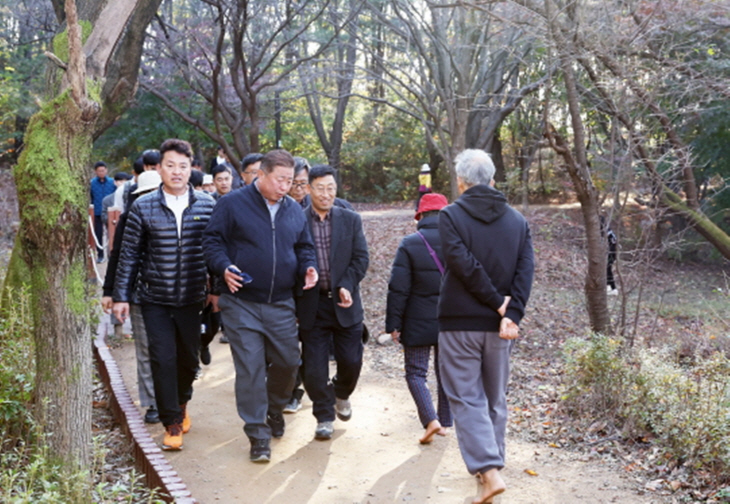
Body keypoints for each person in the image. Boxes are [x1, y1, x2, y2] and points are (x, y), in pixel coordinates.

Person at [202, 149, 318, 463]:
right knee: (250, 369)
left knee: (289, 362)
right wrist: (223, 267)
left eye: (291, 181)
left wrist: (309, 267)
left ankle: (274, 407)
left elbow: (304, 246)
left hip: (281, 303)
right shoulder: (232, 204)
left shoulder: (293, 210)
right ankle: (257, 433)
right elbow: (212, 242)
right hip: (241, 303)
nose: (286, 186)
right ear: (261, 175)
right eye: (280, 180)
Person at [437, 149, 534, 504]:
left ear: (461, 182)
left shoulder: (450, 216)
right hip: (500, 327)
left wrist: (496, 303)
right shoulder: (517, 221)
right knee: (495, 397)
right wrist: (512, 313)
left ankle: (488, 471)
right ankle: (490, 472)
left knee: (465, 396)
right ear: (493, 180)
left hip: (459, 322)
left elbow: (462, 264)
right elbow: (525, 273)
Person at [113, 139, 215, 451]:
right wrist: (121, 296)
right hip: (153, 297)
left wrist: (217, 292)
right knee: (162, 358)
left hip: (192, 297)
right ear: (159, 169)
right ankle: (171, 422)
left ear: (191, 169)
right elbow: (128, 255)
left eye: (183, 166)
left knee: (188, 359)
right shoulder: (143, 206)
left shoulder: (209, 205)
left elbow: (219, 252)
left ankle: (182, 404)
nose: (176, 171)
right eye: (170, 165)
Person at [296, 164, 369, 441]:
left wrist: (347, 285)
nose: (326, 194)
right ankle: (324, 415)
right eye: (320, 188)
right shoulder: (297, 220)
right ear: (308, 189)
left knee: (351, 360)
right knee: (313, 368)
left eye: (331, 188)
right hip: (312, 305)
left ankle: (342, 393)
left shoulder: (350, 219)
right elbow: (291, 260)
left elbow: (361, 258)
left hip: (345, 302)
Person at [386, 192, 452, 445]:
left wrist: (393, 324)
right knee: (446, 372)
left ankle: (430, 419)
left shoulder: (410, 243)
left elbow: (398, 288)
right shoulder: (458, 242)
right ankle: (445, 422)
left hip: (417, 320)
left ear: (420, 216)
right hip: (452, 321)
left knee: (416, 372)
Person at [102, 170, 164, 424]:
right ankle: (151, 403)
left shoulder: (177, 214)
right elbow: (117, 256)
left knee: (171, 351)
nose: (148, 198)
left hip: (173, 295)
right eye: (144, 194)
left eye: (153, 193)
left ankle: (175, 400)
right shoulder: (129, 217)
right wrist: (110, 291)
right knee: (146, 349)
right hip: (141, 293)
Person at [90, 161, 116, 262]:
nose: (101, 172)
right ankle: (100, 255)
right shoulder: (92, 183)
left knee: (111, 234)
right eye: (99, 171)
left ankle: (111, 255)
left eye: (103, 170)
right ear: (95, 172)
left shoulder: (112, 182)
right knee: (98, 234)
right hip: (97, 212)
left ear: (106, 170)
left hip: (110, 212)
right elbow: (91, 197)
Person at [601, 215, 618, 295]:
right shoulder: (608, 230)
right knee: (606, 269)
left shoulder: (605, 231)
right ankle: (609, 287)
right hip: (612, 252)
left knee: (607, 269)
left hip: (611, 253)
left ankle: (613, 288)